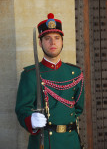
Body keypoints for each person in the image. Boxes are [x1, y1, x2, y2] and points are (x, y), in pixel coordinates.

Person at [15, 13, 84, 149]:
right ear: (40, 43)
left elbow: (79, 108)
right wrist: (31, 120)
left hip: (71, 141)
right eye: (48, 39)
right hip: (45, 141)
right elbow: (22, 109)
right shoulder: (30, 74)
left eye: (57, 38)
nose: (53, 42)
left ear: (62, 42)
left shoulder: (75, 73)